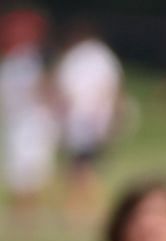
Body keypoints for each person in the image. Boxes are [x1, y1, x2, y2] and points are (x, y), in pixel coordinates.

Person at [52, 22, 120, 223]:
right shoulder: (103, 57)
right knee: (79, 168)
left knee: (81, 168)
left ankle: (90, 210)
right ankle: (74, 210)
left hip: (84, 120)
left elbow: (66, 88)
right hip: (91, 120)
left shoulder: (81, 58)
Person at [0, 7, 57, 228]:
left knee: (30, 170)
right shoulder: (17, 60)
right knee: (22, 170)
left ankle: (26, 216)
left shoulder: (26, 59)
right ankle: (23, 216)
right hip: (21, 123)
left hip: (30, 123)